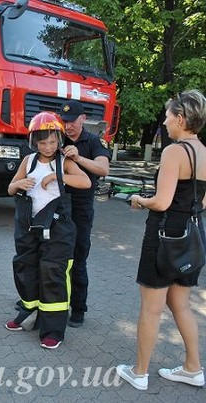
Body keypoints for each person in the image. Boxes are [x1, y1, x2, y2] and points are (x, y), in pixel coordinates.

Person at [116, 90, 206, 391]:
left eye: (168, 117)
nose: (165, 122)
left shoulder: (174, 152)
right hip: (192, 235)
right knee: (181, 305)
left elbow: (162, 201)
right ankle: (193, 368)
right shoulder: (205, 152)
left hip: (164, 236)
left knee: (151, 308)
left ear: (181, 119)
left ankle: (139, 372)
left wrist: (140, 199)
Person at [5, 111, 90, 349]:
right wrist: (19, 184)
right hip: (28, 227)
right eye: (43, 142)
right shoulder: (28, 161)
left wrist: (56, 177)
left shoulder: (65, 162)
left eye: (53, 141)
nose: (48, 146)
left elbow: (86, 182)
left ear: (59, 139)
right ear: (34, 142)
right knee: (26, 268)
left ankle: (53, 330)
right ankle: (28, 315)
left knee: (52, 273)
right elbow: (11, 188)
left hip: (58, 229)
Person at [59, 100, 111, 327]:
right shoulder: (57, 138)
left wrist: (78, 158)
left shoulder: (92, 141)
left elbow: (103, 169)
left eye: (72, 121)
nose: (68, 126)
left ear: (83, 119)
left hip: (81, 208)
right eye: (65, 121)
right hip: (57, 205)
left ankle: (78, 309)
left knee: (78, 259)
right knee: (54, 257)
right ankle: (49, 303)